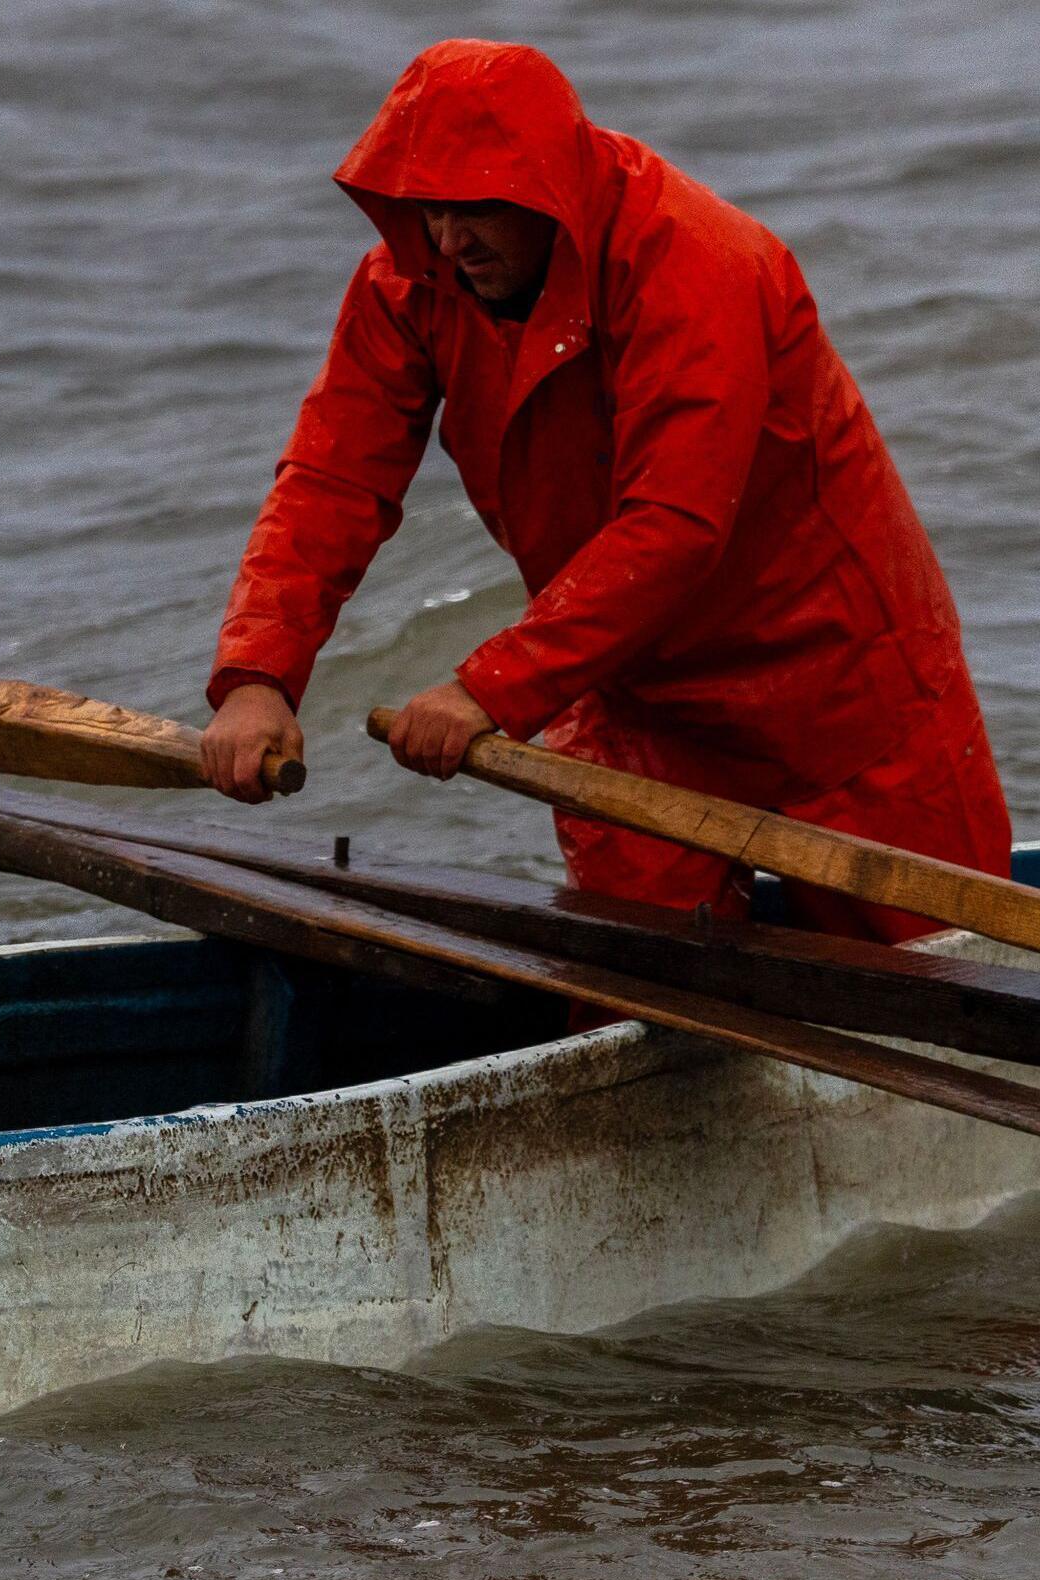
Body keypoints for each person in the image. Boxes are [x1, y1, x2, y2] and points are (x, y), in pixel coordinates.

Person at [196, 40, 1007, 940]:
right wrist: (258, 677)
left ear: (546, 187)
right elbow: (331, 480)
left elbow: (675, 523)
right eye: (430, 208)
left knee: (956, 991)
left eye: (477, 211)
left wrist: (488, 689)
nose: (449, 242)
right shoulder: (410, 286)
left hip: (839, 682)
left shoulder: (695, 262)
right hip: (629, 692)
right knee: (636, 997)